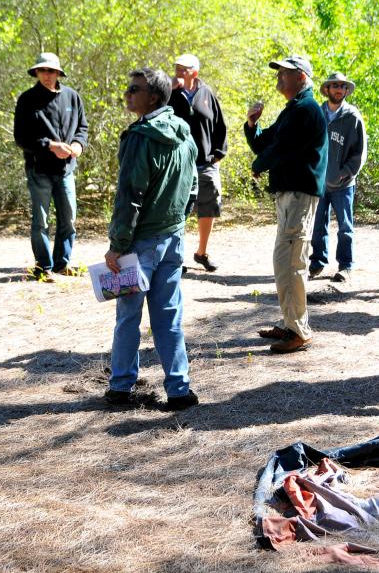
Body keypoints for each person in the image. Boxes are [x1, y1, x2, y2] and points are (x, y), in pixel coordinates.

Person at [103, 68, 199, 411]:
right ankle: (179, 390)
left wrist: (118, 244)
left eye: (135, 89)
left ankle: (120, 387)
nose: (128, 93)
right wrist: (176, 223)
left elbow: (129, 197)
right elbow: (193, 187)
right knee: (168, 316)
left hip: (141, 243)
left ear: (154, 97)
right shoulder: (185, 133)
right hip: (173, 239)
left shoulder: (140, 137)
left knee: (129, 316)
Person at [245, 55, 328, 353]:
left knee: (291, 262)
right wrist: (252, 125)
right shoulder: (293, 109)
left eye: (285, 72)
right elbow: (265, 143)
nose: (279, 76)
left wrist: (259, 164)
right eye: (279, 72)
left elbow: (279, 149)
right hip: (288, 194)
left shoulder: (305, 109)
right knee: (285, 262)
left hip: (299, 194)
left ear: (302, 77)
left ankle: (298, 332)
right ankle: (291, 322)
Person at [13, 52, 89, 281]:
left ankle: (62, 264)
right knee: (41, 221)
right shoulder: (27, 99)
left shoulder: (72, 97)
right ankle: (43, 267)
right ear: (36, 72)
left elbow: (82, 128)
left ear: (58, 73)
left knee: (69, 219)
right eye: (42, 70)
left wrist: (78, 146)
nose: (46, 75)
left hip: (66, 170)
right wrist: (48, 146)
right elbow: (21, 137)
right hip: (39, 170)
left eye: (51, 71)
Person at [169, 53, 228, 272]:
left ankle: (201, 253)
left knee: (208, 207)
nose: (179, 73)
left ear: (195, 72)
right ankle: (176, 258)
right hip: (178, 163)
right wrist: (169, 88)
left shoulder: (206, 92)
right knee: (177, 210)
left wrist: (218, 155)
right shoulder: (170, 93)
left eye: (183, 69)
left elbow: (220, 125)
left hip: (206, 163)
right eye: (176, 69)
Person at [308, 72, 367, 283]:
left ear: (346, 90)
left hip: (344, 184)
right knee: (317, 225)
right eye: (335, 86)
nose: (339, 89)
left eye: (342, 86)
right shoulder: (317, 113)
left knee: (345, 227)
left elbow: (360, 153)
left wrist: (345, 172)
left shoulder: (352, 116)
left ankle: (345, 266)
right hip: (319, 182)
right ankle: (317, 262)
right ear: (327, 89)